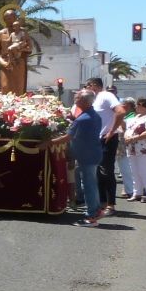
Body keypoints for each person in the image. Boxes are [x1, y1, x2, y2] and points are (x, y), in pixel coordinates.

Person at [51, 89, 103, 226]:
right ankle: (96, 210)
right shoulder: (91, 115)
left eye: (77, 97)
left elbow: (68, 137)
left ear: (84, 101)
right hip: (92, 154)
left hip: (87, 156)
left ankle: (91, 217)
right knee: (91, 184)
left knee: (89, 186)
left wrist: (48, 143)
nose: (75, 99)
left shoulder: (84, 118)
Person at [86, 77, 125, 217]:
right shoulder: (95, 99)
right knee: (98, 172)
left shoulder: (106, 95)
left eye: (87, 86)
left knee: (106, 172)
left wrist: (112, 130)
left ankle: (110, 205)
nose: (86, 88)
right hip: (96, 140)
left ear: (94, 85)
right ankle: (102, 203)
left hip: (106, 139)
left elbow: (120, 111)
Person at [123, 97, 146, 202]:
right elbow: (128, 129)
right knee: (134, 171)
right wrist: (127, 137)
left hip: (145, 148)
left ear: (144, 106)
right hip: (132, 148)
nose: (136, 107)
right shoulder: (136, 117)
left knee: (144, 171)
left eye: (138, 105)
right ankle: (137, 193)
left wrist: (134, 138)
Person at [0, 9, 33, 94]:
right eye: (7, 18)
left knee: (18, 89)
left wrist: (21, 49)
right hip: (6, 64)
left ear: (15, 19)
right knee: (5, 87)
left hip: (19, 63)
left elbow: (29, 47)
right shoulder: (1, 33)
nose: (10, 20)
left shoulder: (23, 32)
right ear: (4, 20)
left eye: (12, 18)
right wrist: (2, 62)